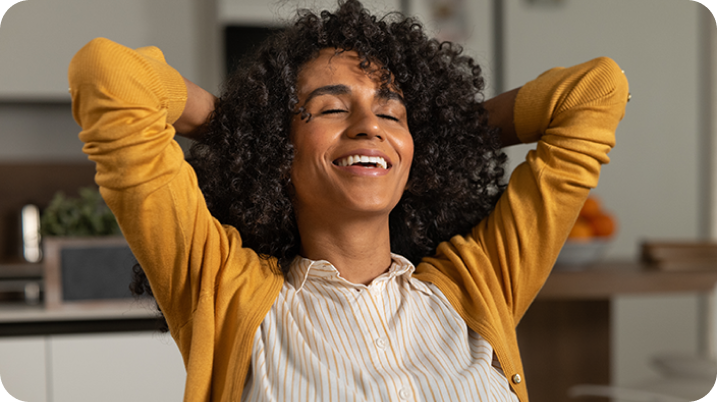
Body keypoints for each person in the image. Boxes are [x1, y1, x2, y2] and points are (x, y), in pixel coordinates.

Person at [68, 0, 629, 401]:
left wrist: (439, 136)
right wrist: (249, 129)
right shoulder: (224, 291)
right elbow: (110, 74)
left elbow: (597, 90)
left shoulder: (478, 283)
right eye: (332, 108)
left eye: (391, 113)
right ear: (275, 147)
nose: (369, 126)